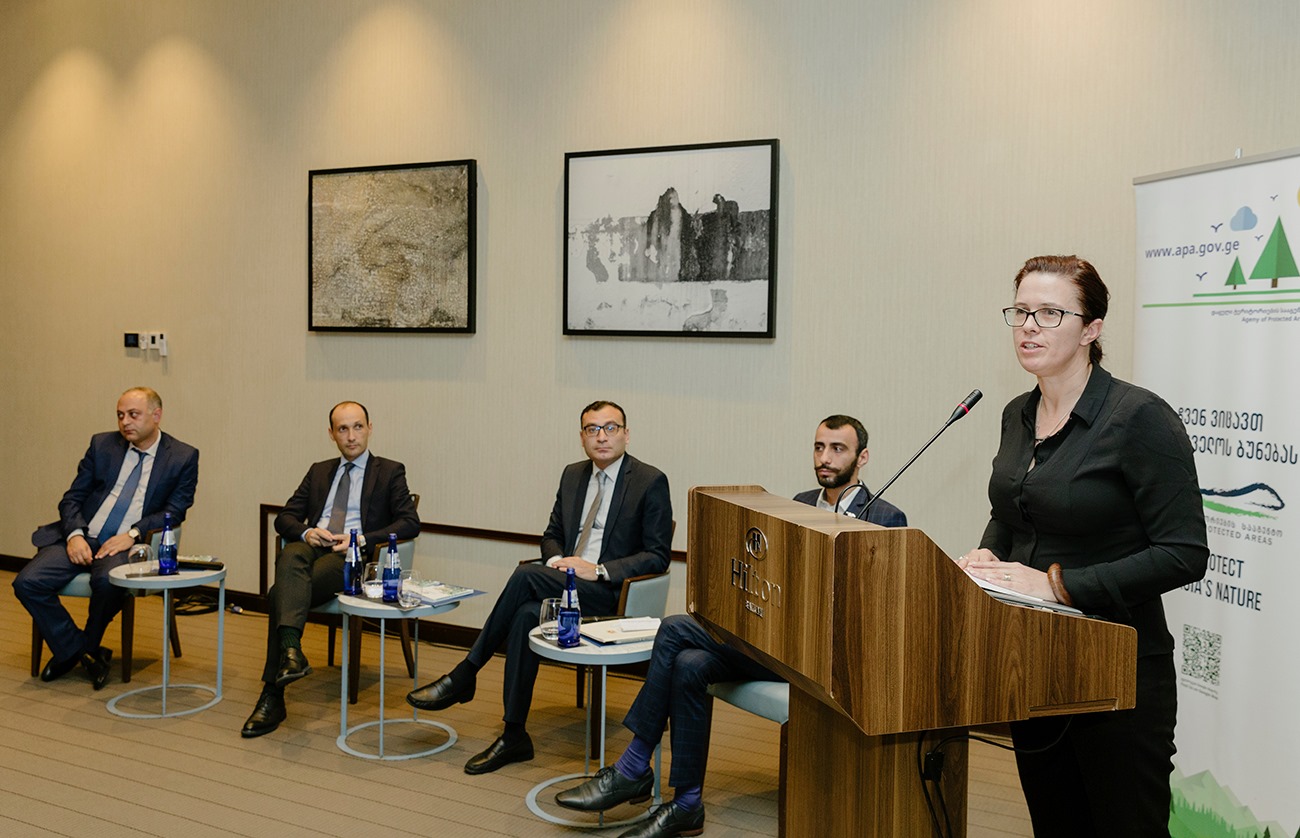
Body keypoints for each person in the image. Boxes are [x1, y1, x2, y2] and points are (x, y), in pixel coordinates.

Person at [554, 414, 905, 838]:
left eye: (837, 449)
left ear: (862, 457)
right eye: (819, 447)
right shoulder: (797, 503)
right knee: (689, 664)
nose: (825, 458)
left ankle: (633, 766)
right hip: (774, 640)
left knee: (674, 629)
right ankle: (687, 805)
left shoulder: (886, 516)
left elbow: (880, 614)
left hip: (822, 659)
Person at [957, 255, 1208, 837]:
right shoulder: (1017, 414)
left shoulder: (1139, 417)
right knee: (1055, 824)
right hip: (1032, 661)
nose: (1029, 327)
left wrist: (1058, 585)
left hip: (1117, 671)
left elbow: (1184, 552)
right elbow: (1011, 513)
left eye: (1050, 313)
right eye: (1021, 312)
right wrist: (990, 555)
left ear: (1091, 329)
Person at [406, 400, 673, 775]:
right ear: (581, 437)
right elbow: (551, 535)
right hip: (567, 585)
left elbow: (657, 555)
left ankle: (466, 673)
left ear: (626, 435)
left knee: (525, 576)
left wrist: (597, 570)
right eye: (592, 429)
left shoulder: (649, 481)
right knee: (524, 615)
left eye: (611, 428)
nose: (601, 436)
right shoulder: (573, 475)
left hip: (613, 595)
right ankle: (514, 734)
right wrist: (558, 562)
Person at [241, 401, 419, 738]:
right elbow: (285, 518)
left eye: (358, 427)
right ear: (331, 434)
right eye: (343, 429)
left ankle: (274, 691)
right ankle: (291, 655)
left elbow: (410, 522)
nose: (351, 436)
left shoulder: (389, 471)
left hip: (351, 557)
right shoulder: (319, 470)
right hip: (313, 547)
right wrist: (308, 531)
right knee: (293, 551)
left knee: (279, 593)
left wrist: (360, 539)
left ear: (369, 428)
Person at [15, 387, 200, 690]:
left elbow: (175, 510)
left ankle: (79, 649)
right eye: (120, 415)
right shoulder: (102, 445)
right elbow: (72, 498)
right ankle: (81, 651)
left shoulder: (182, 456)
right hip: (83, 536)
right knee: (27, 582)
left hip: (125, 543)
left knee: (107, 581)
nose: (125, 422)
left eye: (133, 414)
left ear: (156, 415)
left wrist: (133, 534)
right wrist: (75, 535)